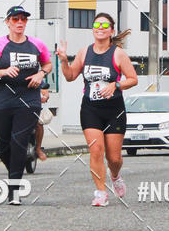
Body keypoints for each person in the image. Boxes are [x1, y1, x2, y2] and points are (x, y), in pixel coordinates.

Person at [56, 13, 138, 206]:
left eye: (104, 25)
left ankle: (115, 176)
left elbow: (133, 79)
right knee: (96, 150)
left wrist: (116, 85)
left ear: (111, 30)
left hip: (114, 111)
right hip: (90, 109)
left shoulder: (118, 54)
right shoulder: (84, 52)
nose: (100, 27)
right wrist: (63, 60)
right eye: (96, 24)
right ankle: (100, 192)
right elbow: (70, 76)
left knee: (114, 157)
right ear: (93, 29)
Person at [0, 5, 52, 204]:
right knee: (3, 146)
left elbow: (47, 63)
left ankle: (14, 190)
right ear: (8, 23)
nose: (20, 22)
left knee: (18, 141)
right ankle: (14, 170)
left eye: (23, 19)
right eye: (15, 19)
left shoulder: (37, 44)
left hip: (28, 100)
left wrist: (41, 74)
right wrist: (4, 72)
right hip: (3, 100)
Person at [35, 83, 50, 161]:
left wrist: (45, 96)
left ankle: (38, 149)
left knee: (38, 124)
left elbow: (44, 90)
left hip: (34, 106)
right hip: (18, 107)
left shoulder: (37, 76)